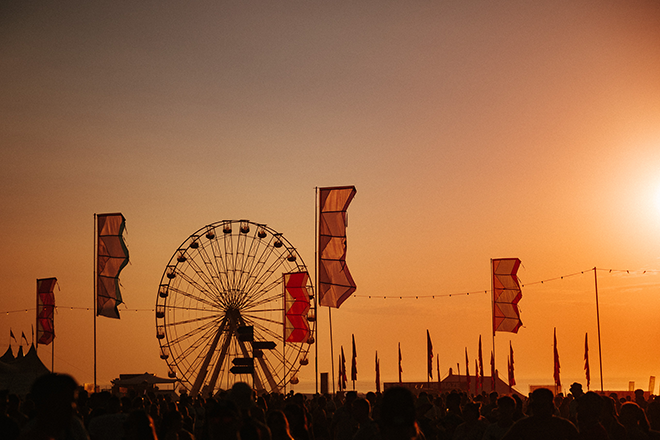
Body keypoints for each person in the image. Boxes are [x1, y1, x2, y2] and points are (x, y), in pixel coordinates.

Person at [20, 373, 89, 440]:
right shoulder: (31, 434)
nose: (72, 406)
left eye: (73, 401)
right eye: (64, 402)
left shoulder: (75, 425)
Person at [500, 388, 579, 440]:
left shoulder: (522, 427)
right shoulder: (565, 426)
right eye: (539, 406)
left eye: (543, 406)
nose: (541, 409)